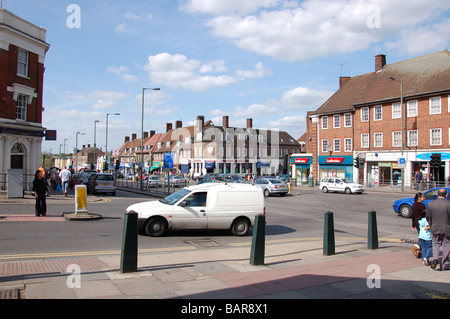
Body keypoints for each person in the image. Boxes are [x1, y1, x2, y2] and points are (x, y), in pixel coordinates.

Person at [426, 189, 450, 271]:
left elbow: (428, 217)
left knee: (436, 244)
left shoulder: (430, 204)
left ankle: (435, 259)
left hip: (435, 227)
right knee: (447, 245)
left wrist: (431, 225)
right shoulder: (448, 204)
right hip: (447, 228)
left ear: (437, 194)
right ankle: (443, 264)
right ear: (446, 195)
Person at [411, 192, 426, 258]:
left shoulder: (414, 205)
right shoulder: (421, 205)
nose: (424, 198)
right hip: (422, 223)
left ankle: (420, 252)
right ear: (419, 198)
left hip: (416, 223)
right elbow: (424, 214)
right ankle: (416, 247)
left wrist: (413, 225)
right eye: (423, 197)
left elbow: (413, 216)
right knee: (423, 237)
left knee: (421, 236)